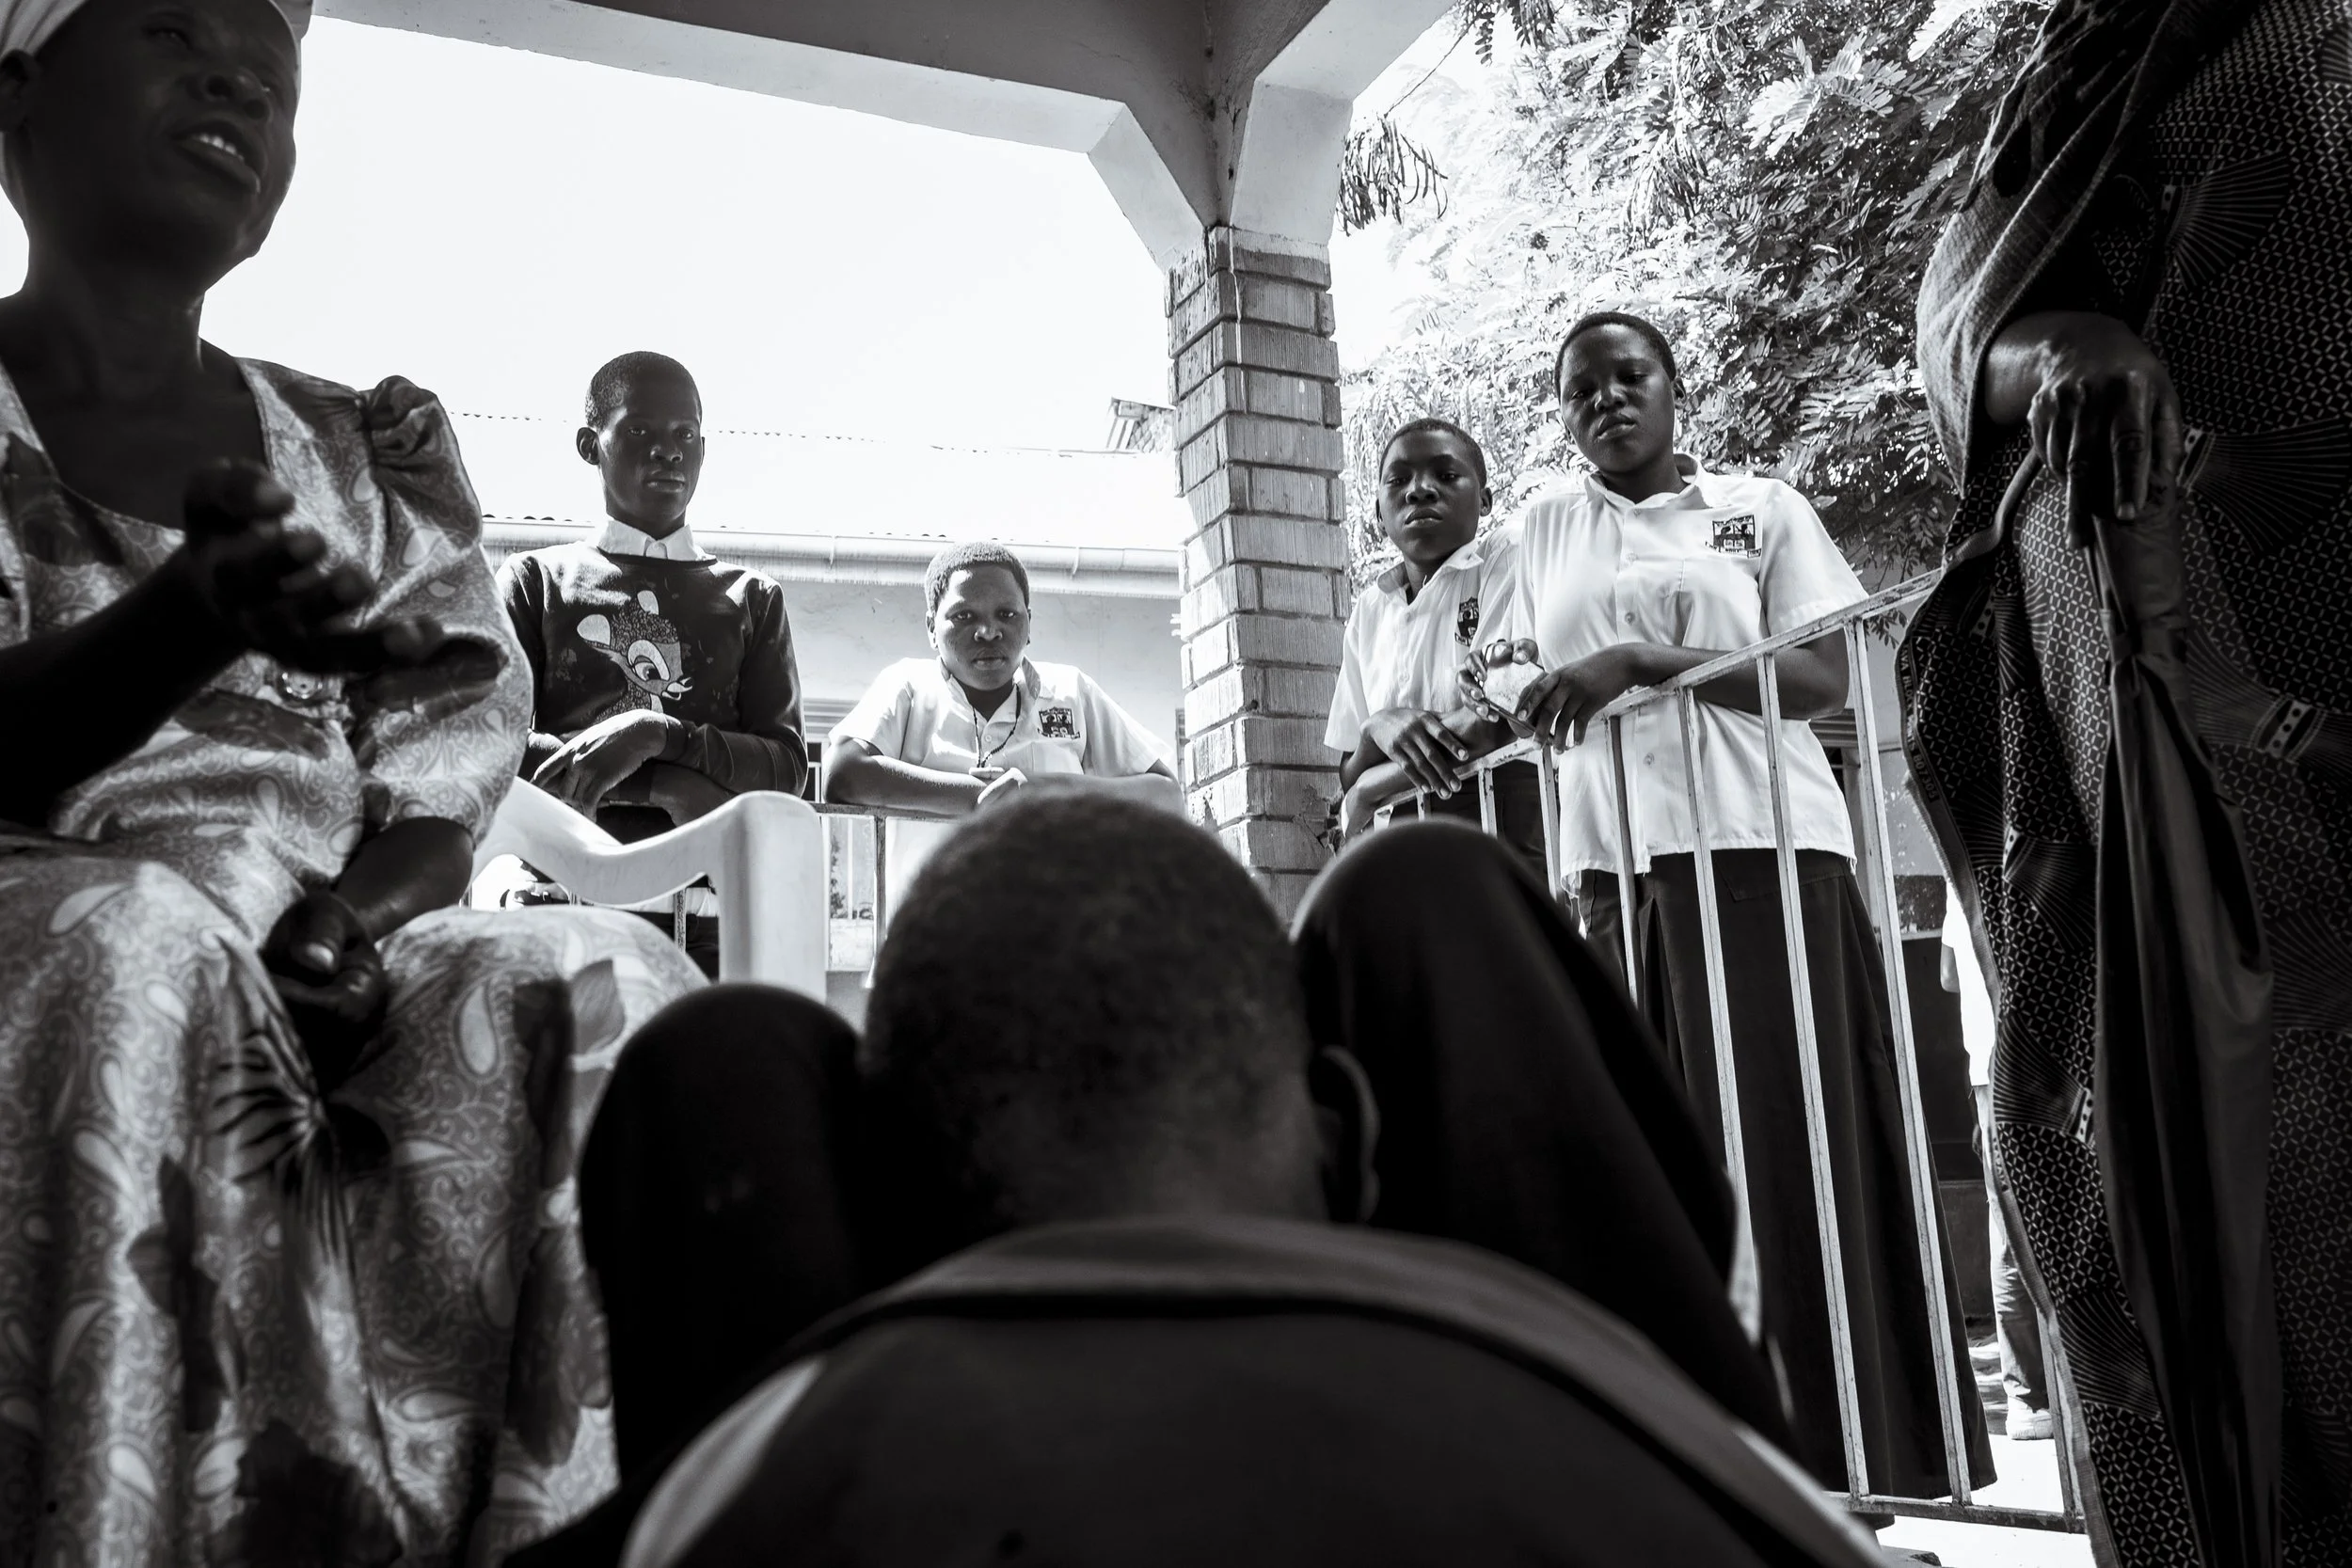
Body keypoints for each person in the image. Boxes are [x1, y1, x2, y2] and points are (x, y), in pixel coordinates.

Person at [0, 3, 704, 1561]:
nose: (234, 77)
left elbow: (447, 756)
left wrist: (352, 921)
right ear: (18, 91)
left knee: (601, 974)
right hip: (59, 927)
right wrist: (182, 620)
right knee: (142, 946)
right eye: (173, 25)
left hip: (340, 950)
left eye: (274, 71)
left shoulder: (359, 448)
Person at [562, 799, 1877, 1568]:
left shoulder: (738, 1505)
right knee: (1429, 883)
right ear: (1354, 1138)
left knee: (722, 1050)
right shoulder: (1701, 1492)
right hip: (1630, 1431)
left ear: (870, 1215)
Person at [1908, 0, 2352, 1559]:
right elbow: (1965, 329)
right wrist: (2068, 350)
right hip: (2187, 645)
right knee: (2253, 1142)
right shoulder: (2084, 79)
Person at [1472, 310, 1991, 1504]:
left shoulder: (1760, 509)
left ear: (1673, 387)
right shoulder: (1542, 530)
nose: (1606, 400)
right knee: (1668, 1173)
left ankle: (1856, 1469)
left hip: (1762, 856)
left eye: (1629, 376)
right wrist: (1506, 693)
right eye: (1581, 389)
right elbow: (1500, 669)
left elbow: (1820, 674)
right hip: (1619, 873)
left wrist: (1645, 663)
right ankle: (1710, 1474)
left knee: (1793, 1155)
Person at [498, 351, 808, 974]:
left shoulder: (751, 598)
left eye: (685, 435)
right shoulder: (536, 581)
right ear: (590, 445)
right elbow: (492, 743)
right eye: (639, 430)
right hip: (559, 907)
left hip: (711, 922)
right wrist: (663, 785)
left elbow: (785, 768)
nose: (668, 451)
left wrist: (660, 733)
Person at [823, 541, 1180, 915]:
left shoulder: (1071, 692)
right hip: (932, 939)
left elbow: (1166, 797)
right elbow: (842, 773)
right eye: (964, 616)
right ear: (931, 627)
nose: (988, 631)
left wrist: (1042, 792)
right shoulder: (908, 686)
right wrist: (979, 798)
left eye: (1007, 614)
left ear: (1029, 623)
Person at [1327, 417, 1548, 881]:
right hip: (1401, 842)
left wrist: (1368, 789)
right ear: (1378, 512)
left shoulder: (1505, 556)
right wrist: (1375, 729)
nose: (1419, 490)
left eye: (1446, 475)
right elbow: (1350, 765)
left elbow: (1494, 720)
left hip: (1500, 817)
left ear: (1484, 499)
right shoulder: (1370, 610)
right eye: (1398, 480)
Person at [1939, 883, 2051, 1443]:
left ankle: (2027, 1394)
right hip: (2034, 1059)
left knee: (2006, 1220)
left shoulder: (1957, 875)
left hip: (1986, 1068)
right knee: (2051, 1214)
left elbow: (1946, 976)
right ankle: (2041, 1391)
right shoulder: (2010, 863)